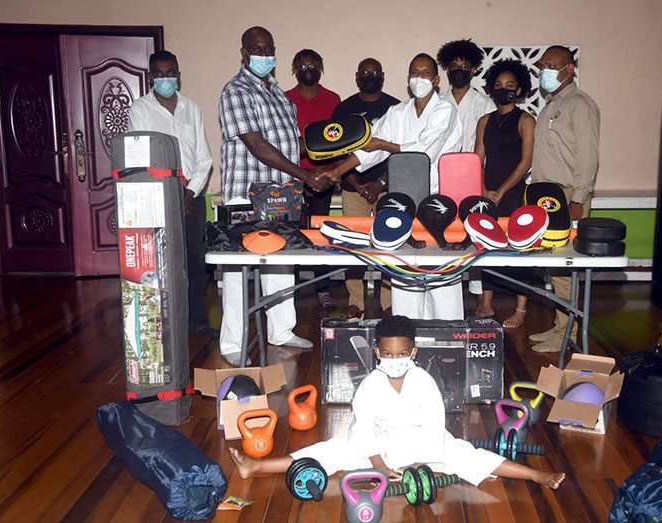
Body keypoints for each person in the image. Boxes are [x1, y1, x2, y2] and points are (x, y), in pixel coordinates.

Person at [229, 315, 565, 489]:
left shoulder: (424, 382)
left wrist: (421, 464)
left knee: (466, 454)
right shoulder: (371, 386)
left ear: (413, 353)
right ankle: (255, 466)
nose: (395, 359)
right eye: (387, 354)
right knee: (328, 452)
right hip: (378, 447)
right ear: (376, 353)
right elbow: (363, 430)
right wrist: (378, 465)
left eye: (402, 354)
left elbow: (435, 428)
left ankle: (537, 477)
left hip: (422, 443)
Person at [218, 26, 333, 364]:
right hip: (246, 192)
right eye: (257, 48)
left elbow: (292, 144)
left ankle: (281, 330)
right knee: (239, 269)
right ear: (244, 52)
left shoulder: (278, 93)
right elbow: (258, 146)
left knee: (281, 263)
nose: (265, 54)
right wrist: (307, 175)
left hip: (281, 194)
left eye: (269, 48)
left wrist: (330, 164)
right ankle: (232, 341)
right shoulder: (236, 91)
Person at [325, 53, 464, 320]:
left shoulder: (445, 110)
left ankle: (446, 329)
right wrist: (336, 172)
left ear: (436, 80)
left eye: (425, 73)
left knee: (437, 268)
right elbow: (370, 149)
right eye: (414, 72)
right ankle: (406, 325)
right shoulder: (397, 112)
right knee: (404, 265)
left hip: (437, 199)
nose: (419, 77)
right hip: (402, 196)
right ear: (408, 78)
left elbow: (424, 150)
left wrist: (382, 145)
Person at [127, 50, 217, 338]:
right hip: (157, 195)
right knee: (160, 263)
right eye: (159, 73)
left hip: (191, 195)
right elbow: (140, 159)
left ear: (179, 75)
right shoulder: (140, 110)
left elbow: (204, 159)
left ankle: (197, 321)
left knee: (194, 262)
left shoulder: (192, 108)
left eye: (170, 73)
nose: (165, 78)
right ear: (151, 76)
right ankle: (163, 326)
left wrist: (189, 193)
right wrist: (171, 193)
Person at [529, 45, 600, 352]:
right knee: (555, 267)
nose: (544, 71)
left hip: (569, 194)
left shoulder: (580, 104)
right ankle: (561, 326)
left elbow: (589, 155)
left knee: (566, 264)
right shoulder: (551, 105)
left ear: (569, 69)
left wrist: (580, 198)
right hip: (548, 196)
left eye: (551, 65)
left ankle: (568, 332)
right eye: (542, 65)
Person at [332, 58, 401, 320]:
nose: (370, 76)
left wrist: (380, 182)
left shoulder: (396, 107)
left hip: (388, 186)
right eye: (364, 73)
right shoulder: (343, 109)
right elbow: (335, 153)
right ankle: (356, 302)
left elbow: (400, 151)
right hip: (353, 188)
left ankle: (389, 302)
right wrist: (358, 184)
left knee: (389, 244)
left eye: (374, 73)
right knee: (353, 244)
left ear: (382, 76)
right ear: (356, 76)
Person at [473, 59, 536, 329]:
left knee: (519, 249)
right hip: (487, 193)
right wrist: (483, 190)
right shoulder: (484, 121)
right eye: (498, 85)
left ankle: (520, 309)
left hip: (513, 191)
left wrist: (501, 190)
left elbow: (526, 162)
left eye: (509, 85)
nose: (503, 89)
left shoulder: (526, 120)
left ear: (519, 89)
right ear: (490, 88)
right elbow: (477, 159)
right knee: (489, 246)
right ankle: (486, 303)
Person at [285, 49, 342, 317]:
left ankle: (323, 289)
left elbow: (338, 139)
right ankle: (291, 287)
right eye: (303, 65)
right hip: (293, 177)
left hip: (324, 177)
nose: (308, 69)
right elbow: (281, 144)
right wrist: (300, 173)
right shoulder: (285, 99)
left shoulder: (332, 99)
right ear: (296, 69)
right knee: (293, 234)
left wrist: (332, 172)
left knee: (321, 234)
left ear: (320, 68)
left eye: (313, 65)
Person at [437, 39, 495, 297]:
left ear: (473, 70)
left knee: (476, 231)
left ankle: (480, 295)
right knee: (445, 230)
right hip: (442, 177)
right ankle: (446, 287)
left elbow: (492, 147)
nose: (459, 70)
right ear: (446, 70)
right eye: (453, 66)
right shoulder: (436, 102)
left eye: (464, 65)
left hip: (475, 177)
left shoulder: (485, 104)